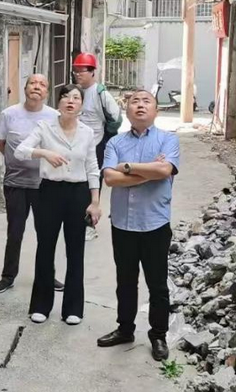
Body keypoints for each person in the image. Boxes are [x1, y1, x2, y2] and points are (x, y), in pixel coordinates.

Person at [95, 89, 180, 362]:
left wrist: (128, 167)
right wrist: (149, 172)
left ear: (156, 110)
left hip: (155, 224)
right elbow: (110, 179)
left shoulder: (168, 139)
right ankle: (125, 329)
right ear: (127, 110)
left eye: (146, 102)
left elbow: (165, 170)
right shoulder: (115, 142)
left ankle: (158, 335)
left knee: (157, 284)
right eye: (135, 101)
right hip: (123, 224)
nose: (140, 105)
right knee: (125, 282)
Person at [15, 84, 102, 326]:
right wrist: (44, 153)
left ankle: (73, 308)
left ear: (81, 105)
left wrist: (95, 201)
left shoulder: (87, 133)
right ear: (59, 103)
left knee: (76, 250)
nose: (70, 101)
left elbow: (92, 168)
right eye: (65, 97)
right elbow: (20, 151)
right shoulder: (45, 127)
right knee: (45, 247)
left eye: (76, 98)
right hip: (49, 192)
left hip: (78, 193)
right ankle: (41, 305)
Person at [0, 74, 64, 295]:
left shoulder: (55, 116)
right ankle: (8, 276)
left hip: (45, 184)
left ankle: (47, 275)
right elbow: (0, 143)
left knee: (46, 233)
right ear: (25, 88)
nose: (37, 87)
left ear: (47, 92)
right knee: (15, 232)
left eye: (42, 84)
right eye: (33, 83)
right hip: (16, 183)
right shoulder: (9, 114)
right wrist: (16, 160)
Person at [71, 52, 122, 241]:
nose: (78, 74)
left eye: (82, 70)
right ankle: (75, 220)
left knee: (92, 185)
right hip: (75, 145)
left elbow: (116, 118)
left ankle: (89, 225)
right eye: (76, 70)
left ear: (92, 72)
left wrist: (107, 134)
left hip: (96, 144)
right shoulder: (74, 92)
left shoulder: (101, 94)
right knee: (76, 184)